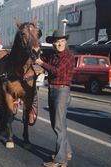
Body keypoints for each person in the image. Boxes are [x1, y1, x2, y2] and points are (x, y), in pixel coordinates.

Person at [35, 30, 74, 167]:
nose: (60, 43)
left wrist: (41, 63)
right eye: (57, 41)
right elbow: (46, 61)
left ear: (66, 42)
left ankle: (60, 160)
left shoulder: (68, 56)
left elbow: (56, 71)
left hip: (62, 90)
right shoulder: (53, 55)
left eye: (62, 41)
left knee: (58, 125)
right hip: (53, 89)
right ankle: (67, 151)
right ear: (53, 43)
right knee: (57, 123)